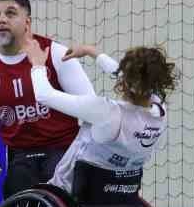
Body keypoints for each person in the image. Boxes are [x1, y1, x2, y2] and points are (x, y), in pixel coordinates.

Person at [0, 0, 99, 197]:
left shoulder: (55, 54)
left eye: (10, 13)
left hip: (63, 150)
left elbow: (92, 107)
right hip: (21, 155)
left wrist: (83, 154)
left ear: (27, 22)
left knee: (55, 192)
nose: (1, 19)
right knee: (16, 188)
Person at [16, 38, 179, 195]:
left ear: (125, 82)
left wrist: (37, 64)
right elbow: (134, 80)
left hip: (69, 191)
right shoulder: (159, 111)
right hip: (120, 196)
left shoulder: (104, 111)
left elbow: (44, 95)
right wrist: (90, 51)